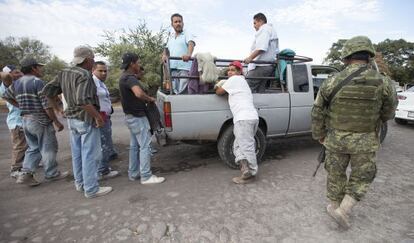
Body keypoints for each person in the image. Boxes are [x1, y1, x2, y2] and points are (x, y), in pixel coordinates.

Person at [311, 36, 398, 229]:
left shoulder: (332, 81)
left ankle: (334, 207)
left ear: (346, 57)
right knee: (362, 176)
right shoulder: (383, 82)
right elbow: (389, 113)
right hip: (366, 140)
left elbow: (317, 111)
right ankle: (344, 209)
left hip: (336, 139)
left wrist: (320, 135)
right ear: (369, 56)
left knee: (335, 173)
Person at [42, 46, 112, 198]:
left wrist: (58, 109)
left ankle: (80, 184)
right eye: (92, 59)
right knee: (89, 154)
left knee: (77, 153)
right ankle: (91, 189)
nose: (93, 62)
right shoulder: (85, 75)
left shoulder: (64, 72)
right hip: (85, 119)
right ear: (87, 60)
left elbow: (47, 91)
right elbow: (82, 101)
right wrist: (97, 117)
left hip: (71, 120)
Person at [1, 58, 68, 186]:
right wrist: (56, 122)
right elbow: (46, 106)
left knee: (33, 148)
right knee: (48, 148)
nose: (41, 69)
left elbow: (6, 96)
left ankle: (25, 174)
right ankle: (52, 174)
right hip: (40, 120)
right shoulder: (37, 82)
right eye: (39, 67)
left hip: (26, 119)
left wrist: (20, 105)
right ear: (33, 68)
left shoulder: (17, 83)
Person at [119, 52, 165, 184]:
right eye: (138, 62)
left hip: (131, 117)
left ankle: (133, 173)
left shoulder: (123, 77)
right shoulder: (130, 78)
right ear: (132, 64)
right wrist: (149, 98)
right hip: (138, 118)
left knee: (135, 147)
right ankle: (146, 176)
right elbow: (138, 93)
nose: (139, 65)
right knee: (145, 146)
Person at [215, 61, 259, 184]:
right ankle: (245, 171)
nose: (230, 72)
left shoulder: (235, 79)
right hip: (249, 118)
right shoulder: (242, 81)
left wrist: (220, 84)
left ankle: (251, 173)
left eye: (233, 69)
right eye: (229, 70)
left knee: (246, 147)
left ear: (239, 72)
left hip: (244, 119)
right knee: (238, 146)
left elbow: (218, 92)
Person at [92, 61, 119, 179]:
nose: (103, 73)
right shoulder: (93, 82)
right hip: (100, 117)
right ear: (93, 70)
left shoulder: (100, 83)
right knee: (103, 144)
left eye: (105, 71)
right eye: (100, 71)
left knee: (105, 143)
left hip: (105, 116)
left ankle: (102, 168)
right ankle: (103, 170)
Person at [0, 65, 27, 178]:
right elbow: (5, 75)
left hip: (21, 120)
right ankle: (15, 169)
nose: (20, 74)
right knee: (19, 146)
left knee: (26, 144)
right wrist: (8, 74)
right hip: (16, 121)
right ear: (10, 74)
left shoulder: (16, 84)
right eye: (16, 72)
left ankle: (25, 164)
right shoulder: (7, 84)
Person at [244, 13, 279, 93]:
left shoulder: (264, 29)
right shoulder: (271, 29)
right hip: (267, 66)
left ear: (260, 21)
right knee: (260, 90)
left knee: (246, 89)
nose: (254, 26)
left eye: (255, 23)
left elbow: (261, 47)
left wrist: (250, 58)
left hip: (261, 66)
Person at [162, 13, 196, 94]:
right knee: (174, 90)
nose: (178, 23)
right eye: (176, 22)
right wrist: (164, 55)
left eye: (180, 21)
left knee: (182, 91)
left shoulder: (187, 33)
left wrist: (189, 54)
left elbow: (191, 43)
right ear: (172, 24)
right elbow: (166, 49)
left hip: (184, 68)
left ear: (183, 23)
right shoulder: (171, 37)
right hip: (172, 68)